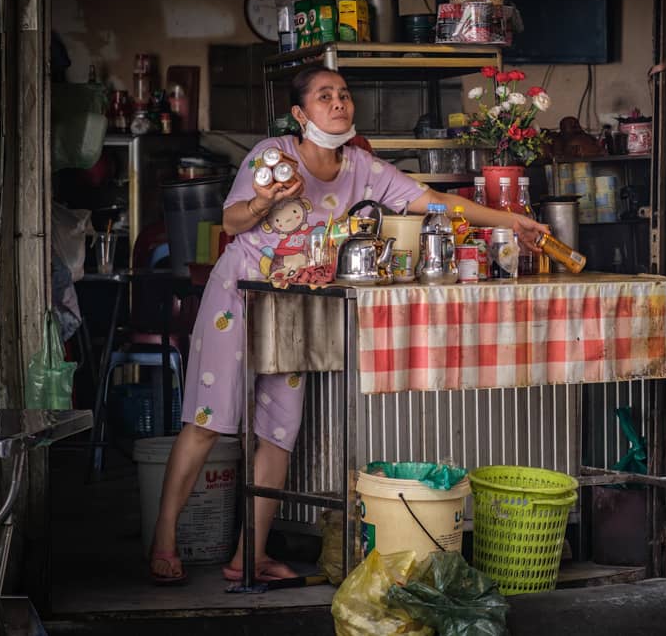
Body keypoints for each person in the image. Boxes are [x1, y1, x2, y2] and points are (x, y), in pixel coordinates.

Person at [148, 64, 548, 584]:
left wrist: (510, 220)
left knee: (278, 432)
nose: (337, 103)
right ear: (300, 113)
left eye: (343, 95)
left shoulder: (363, 167)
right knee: (207, 421)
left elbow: (435, 202)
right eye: (323, 96)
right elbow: (231, 222)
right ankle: (163, 539)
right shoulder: (274, 156)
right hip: (239, 298)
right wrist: (265, 200)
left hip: (297, 309)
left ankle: (249, 555)